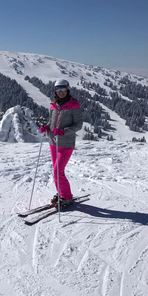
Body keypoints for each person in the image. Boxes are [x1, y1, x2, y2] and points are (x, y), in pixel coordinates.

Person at [40, 79, 83, 207]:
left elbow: (78, 125)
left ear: (67, 89)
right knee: (56, 171)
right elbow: (52, 122)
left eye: (63, 89)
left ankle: (66, 197)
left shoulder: (74, 105)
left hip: (66, 144)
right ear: (55, 91)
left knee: (58, 171)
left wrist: (64, 131)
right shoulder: (53, 105)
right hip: (53, 142)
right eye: (58, 90)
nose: (61, 92)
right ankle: (62, 192)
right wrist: (47, 127)